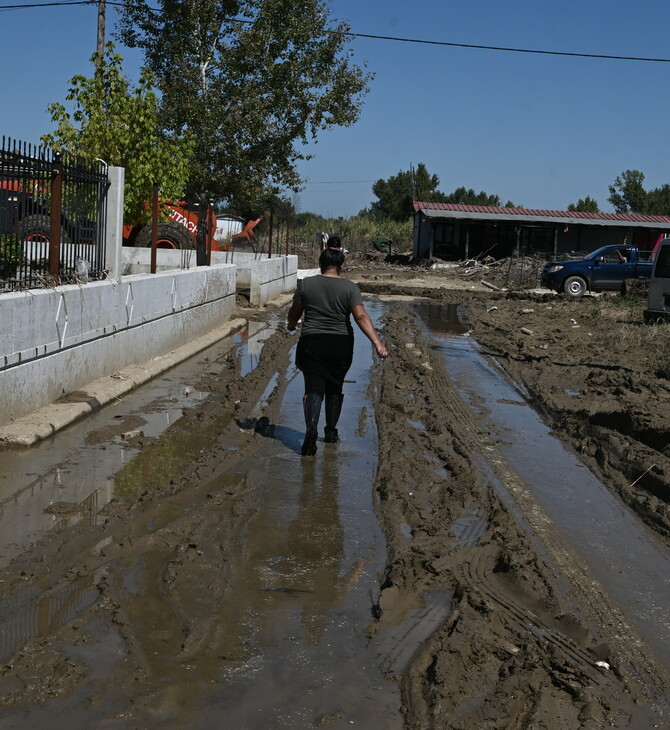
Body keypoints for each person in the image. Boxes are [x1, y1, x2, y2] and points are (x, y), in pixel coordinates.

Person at [287, 241, 388, 456]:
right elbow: (361, 316)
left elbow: (294, 312)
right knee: (335, 386)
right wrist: (377, 343)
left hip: (312, 342)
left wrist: (291, 324)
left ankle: (311, 429)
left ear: (320, 264)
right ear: (341, 266)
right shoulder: (350, 287)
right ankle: (331, 432)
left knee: (313, 387)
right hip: (340, 344)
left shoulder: (306, 284)